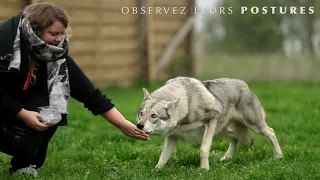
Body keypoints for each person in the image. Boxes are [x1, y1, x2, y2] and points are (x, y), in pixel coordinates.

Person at [0, 3, 149, 176]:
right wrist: (22, 114)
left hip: (15, 107)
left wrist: (122, 124)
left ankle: (24, 164)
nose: (59, 39)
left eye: (62, 33)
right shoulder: (5, 45)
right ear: (35, 30)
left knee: (52, 109)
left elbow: (91, 95)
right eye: (53, 34)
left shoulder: (56, 56)